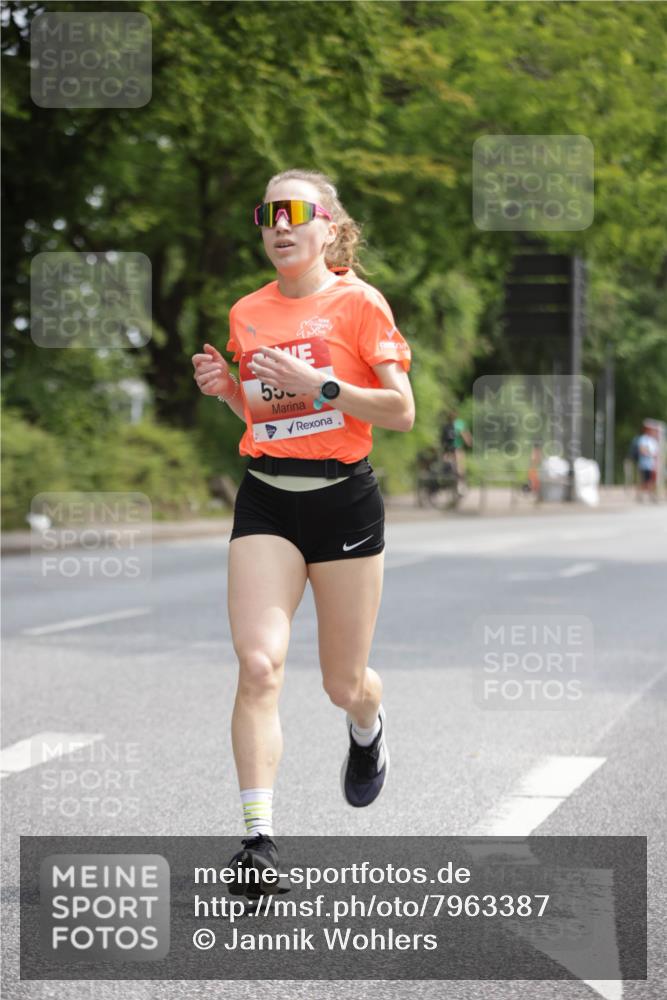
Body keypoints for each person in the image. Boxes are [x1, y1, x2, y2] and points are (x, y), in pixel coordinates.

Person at [191, 168, 414, 897]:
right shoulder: (247, 311)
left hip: (343, 504)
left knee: (341, 683)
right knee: (258, 665)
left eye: (295, 212)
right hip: (266, 501)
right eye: (267, 214)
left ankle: (367, 723)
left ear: (329, 227)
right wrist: (232, 393)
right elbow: (269, 420)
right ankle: (258, 840)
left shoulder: (358, 304)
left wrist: (320, 383)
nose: (279, 225)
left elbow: (398, 410)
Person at [440, 409, 472, 491]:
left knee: (459, 465)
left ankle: (460, 483)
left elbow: (465, 435)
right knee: (446, 463)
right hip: (448, 448)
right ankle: (447, 481)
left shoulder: (459, 424)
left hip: (456, 447)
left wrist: (468, 441)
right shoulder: (447, 425)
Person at [636, 423, 658, 502]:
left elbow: (656, 452)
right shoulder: (643, 439)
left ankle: (651, 495)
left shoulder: (653, 440)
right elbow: (642, 450)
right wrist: (649, 453)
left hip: (652, 464)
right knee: (644, 481)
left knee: (651, 481)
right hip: (644, 464)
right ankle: (640, 495)